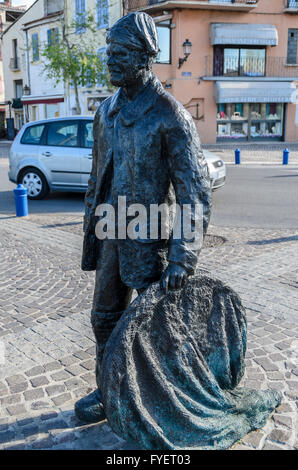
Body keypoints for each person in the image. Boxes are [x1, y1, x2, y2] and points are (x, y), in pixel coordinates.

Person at [75, 12, 211, 423]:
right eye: (109, 52)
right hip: (110, 230)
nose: (111, 60)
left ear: (145, 57)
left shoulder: (170, 115)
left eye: (121, 53)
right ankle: (109, 389)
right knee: (103, 317)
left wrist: (182, 257)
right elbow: (98, 174)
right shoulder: (106, 112)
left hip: (149, 233)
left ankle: (159, 394)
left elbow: (195, 193)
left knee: (156, 328)